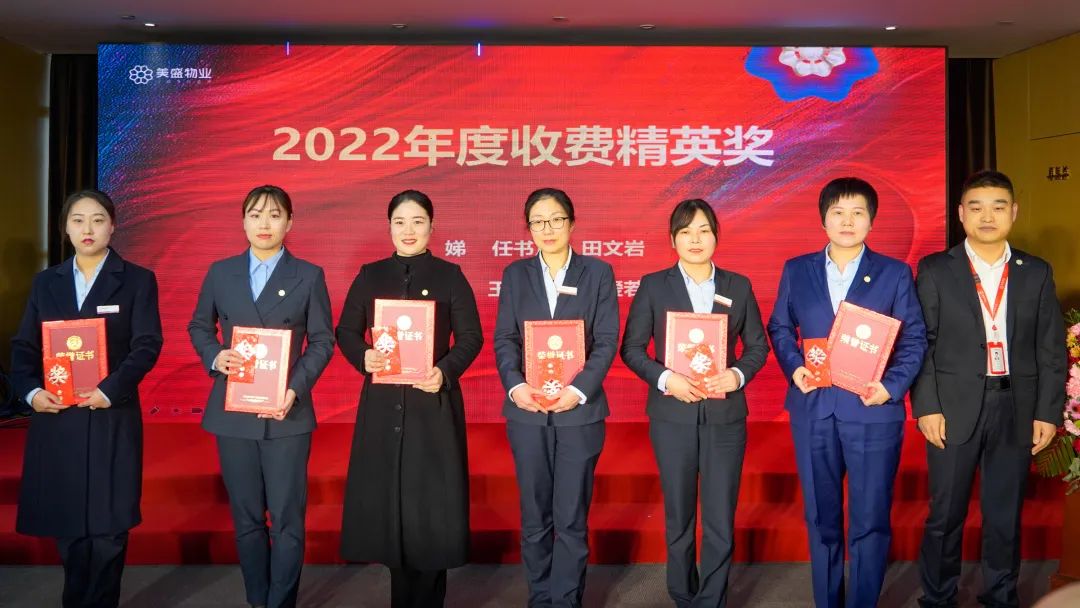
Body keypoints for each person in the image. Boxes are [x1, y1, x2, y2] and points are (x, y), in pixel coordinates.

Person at [767, 177, 927, 607]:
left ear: (872, 221)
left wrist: (890, 387)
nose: (847, 221)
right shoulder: (797, 269)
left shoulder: (894, 273)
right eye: (837, 212)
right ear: (823, 219)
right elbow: (779, 325)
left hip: (871, 408)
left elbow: (914, 337)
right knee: (821, 518)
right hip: (814, 407)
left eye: (858, 212)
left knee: (870, 518)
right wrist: (795, 367)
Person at [913, 170, 1066, 608]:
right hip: (953, 406)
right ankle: (938, 597)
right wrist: (926, 406)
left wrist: (1047, 412)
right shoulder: (935, 270)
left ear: (1013, 212)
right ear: (961, 214)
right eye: (976, 207)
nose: (987, 216)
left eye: (998, 207)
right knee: (945, 514)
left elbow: (1050, 348)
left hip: (1015, 406)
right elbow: (922, 343)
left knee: (1004, 514)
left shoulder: (1035, 272)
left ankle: (1000, 595)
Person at [10, 189, 163, 608]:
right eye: (77, 220)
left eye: (97, 219)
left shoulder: (137, 280)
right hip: (59, 417)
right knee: (70, 528)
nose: (88, 228)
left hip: (111, 413)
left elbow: (147, 345)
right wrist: (32, 392)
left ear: (113, 226)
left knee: (109, 528)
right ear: (65, 228)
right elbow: (23, 347)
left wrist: (109, 390)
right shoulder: (46, 282)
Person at [188, 185, 334, 608]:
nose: (264, 223)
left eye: (274, 215)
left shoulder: (309, 275)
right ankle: (257, 599)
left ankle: (280, 602)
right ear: (243, 221)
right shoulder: (221, 273)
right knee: (248, 518)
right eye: (255, 214)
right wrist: (215, 356)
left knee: (287, 520)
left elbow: (322, 341)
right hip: (233, 413)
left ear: (289, 222)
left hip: (287, 412)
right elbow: (199, 326)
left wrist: (295, 388)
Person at [620, 199, 770, 607]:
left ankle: (711, 599)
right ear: (673, 240)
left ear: (716, 236)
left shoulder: (738, 286)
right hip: (672, 416)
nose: (695, 239)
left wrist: (736, 375)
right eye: (685, 232)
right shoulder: (654, 285)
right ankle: (683, 595)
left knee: (720, 516)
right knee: (679, 514)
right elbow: (632, 348)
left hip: (725, 416)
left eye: (704, 230)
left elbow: (757, 346)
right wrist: (666, 378)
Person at [337, 190, 483, 608]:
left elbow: (471, 337)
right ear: (389, 227)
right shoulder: (370, 275)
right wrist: (363, 355)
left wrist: (445, 371)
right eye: (400, 222)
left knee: (431, 509)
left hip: (432, 406)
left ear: (432, 227)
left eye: (418, 221)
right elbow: (345, 331)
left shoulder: (450, 276)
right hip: (384, 409)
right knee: (391, 510)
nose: (409, 230)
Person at [493, 188, 620, 608]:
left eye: (556, 219)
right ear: (528, 228)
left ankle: (566, 599)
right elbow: (505, 338)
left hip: (579, 413)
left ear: (572, 223)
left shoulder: (597, 273)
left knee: (571, 516)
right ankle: (540, 597)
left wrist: (578, 390)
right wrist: (516, 386)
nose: (547, 229)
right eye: (538, 221)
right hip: (528, 412)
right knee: (534, 517)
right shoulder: (515, 275)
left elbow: (606, 340)